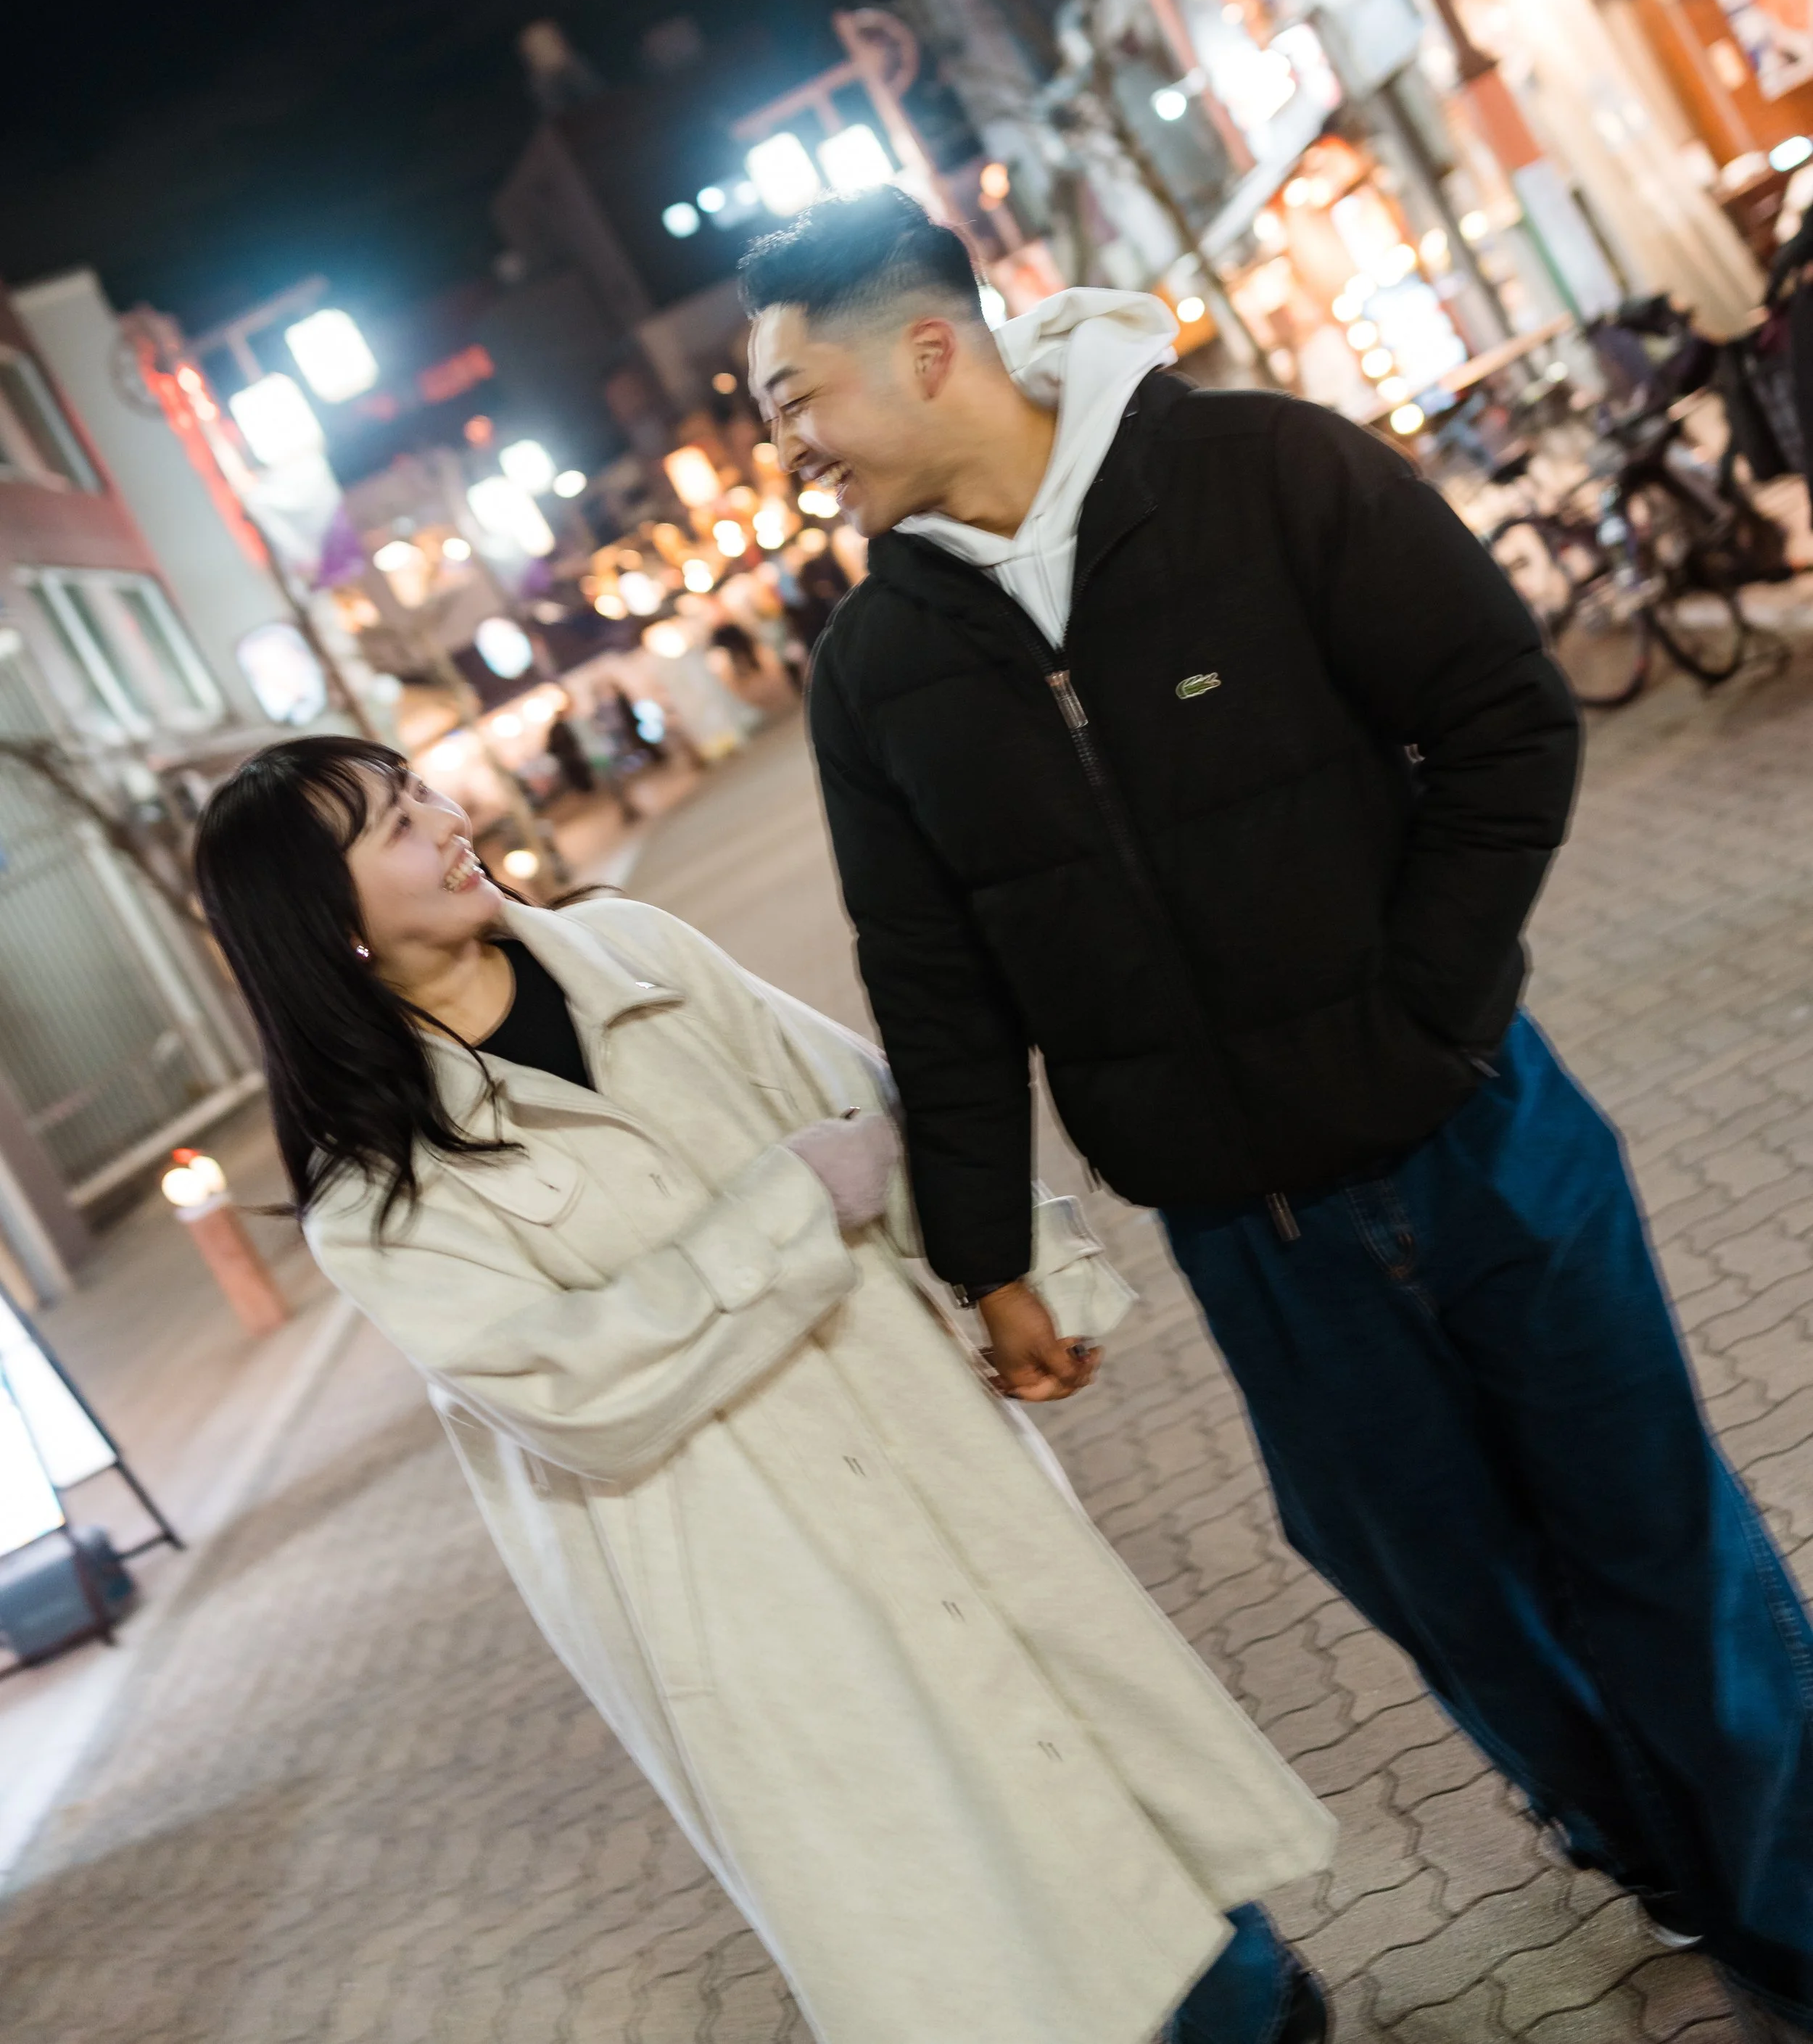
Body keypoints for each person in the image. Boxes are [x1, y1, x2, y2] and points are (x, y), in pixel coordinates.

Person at [743, 186, 1813, 2037]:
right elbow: (935, 986)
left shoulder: (1264, 476)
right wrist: (985, 1257)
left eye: (794, 405)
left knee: (1653, 1546)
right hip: (1258, 1242)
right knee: (1450, 1599)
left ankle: (1788, 1908)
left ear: (927, 353)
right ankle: (1659, 1853)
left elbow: (1504, 726)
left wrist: (1423, 1020)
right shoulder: (875, 677)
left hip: (1489, 1146)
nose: (793, 458)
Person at [194, 737, 1335, 2044]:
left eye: (426, 790)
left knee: (1086, 1719)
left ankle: (1249, 2005)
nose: (451, 818)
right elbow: (581, 1386)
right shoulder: (377, 1196)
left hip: (909, 1436)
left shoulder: (636, 953)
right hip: (741, 1567)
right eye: (397, 824)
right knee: (953, 1848)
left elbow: (864, 1105)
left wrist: (1023, 1278)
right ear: (319, 915)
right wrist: (792, 1205)